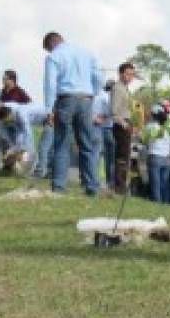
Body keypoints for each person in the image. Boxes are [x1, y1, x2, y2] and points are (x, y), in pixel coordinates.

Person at [42, 31, 103, 195]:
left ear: (51, 44)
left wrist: (48, 109)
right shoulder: (86, 52)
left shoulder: (54, 56)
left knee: (62, 143)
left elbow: (50, 84)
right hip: (86, 99)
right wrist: (93, 92)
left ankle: (59, 186)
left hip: (66, 99)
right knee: (86, 144)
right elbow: (98, 76)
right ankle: (92, 186)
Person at [0, 103, 50, 174]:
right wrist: (11, 149)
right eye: (5, 122)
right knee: (4, 140)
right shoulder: (1, 119)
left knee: (43, 147)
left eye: (8, 121)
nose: (7, 123)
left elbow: (28, 134)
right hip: (32, 121)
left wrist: (23, 150)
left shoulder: (21, 114)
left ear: (10, 114)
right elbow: (6, 136)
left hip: (49, 118)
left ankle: (38, 171)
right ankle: (9, 168)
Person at [108, 62, 136, 194]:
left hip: (127, 123)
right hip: (121, 125)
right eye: (128, 74)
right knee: (121, 158)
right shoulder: (118, 88)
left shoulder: (125, 88)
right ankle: (119, 187)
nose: (130, 77)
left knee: (125, 157)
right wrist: (124, 125)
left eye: (132, 74)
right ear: (121, 74)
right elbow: (114, 112)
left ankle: (122, 185)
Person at [141, 103, 170, 203]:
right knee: (164, 184)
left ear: (152, 115)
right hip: (167, 158)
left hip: (155, 156)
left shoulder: (150, 127)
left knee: (155, 184)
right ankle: (165, 203)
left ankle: (157, 204)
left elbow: (144, 141)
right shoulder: (169, 127)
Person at [94, 82, 116, 187]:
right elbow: (109, 112)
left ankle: (93, 178)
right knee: (110, 157)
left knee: (96, 154)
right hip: (107, 128)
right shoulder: (108, 98)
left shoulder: (97, 96)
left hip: (95, 127)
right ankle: (109, 181)